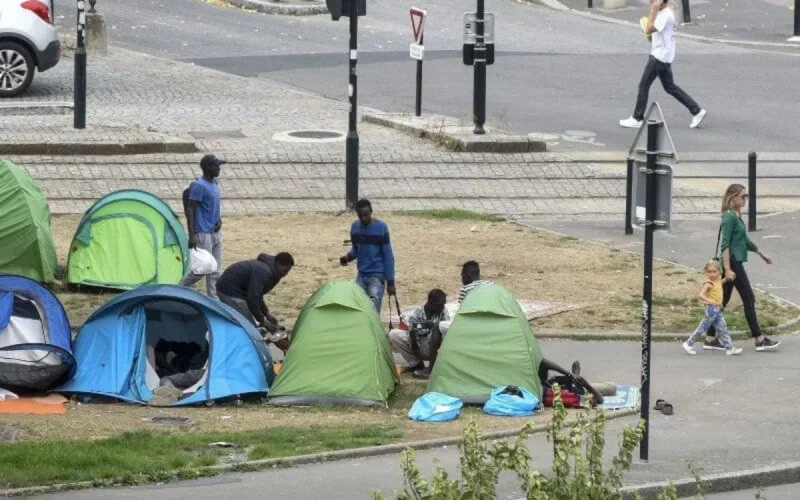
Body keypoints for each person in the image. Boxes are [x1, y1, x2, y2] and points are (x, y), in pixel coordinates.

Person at [703, 184, 780, 352]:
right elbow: (725, 245)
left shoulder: (736, 215)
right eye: (743, 196)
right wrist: (728, 269)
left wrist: (761, 254)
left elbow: (743, 239)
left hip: (733, 263)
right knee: (749, 299)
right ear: (733, 198)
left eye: (747, 196)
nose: (746, 199)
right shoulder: (729, 217)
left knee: (722, 301)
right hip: (732, 264)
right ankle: (759, 339)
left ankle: (710, 338)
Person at [619, 0, 706, 130]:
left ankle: (637, 118)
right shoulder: (664, 13)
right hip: (665, 56)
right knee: (670, 87)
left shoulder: (665, 15)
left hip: (659, 57)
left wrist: (652, 11)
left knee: (644, 86)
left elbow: (648, 29)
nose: (651, 1)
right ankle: (696, 110)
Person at [216, 252, 294, 349]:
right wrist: (262, 320)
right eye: (285, 270)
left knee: (251, 323)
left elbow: (258, 294)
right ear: (278, 264)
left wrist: (266, 313)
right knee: (249, 327)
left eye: (288, 271)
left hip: (240, 292)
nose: (286, 274)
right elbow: (252, 298)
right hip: (229, 291)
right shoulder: (265, 272)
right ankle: (246, 348)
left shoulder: (274, 272)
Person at [180, 154, 225, 297]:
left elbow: (213, 206)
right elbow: (190, 209)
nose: (219, 168)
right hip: (202, 233)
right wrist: (192, 235)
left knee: (215, 269)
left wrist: (219, 220)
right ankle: (179, 288)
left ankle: (214, 298)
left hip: (215, 232)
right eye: (216, 166)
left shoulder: (215, 183)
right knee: (203, 269)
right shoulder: (199, 186)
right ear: (207, 168)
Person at [339, 199, 396, 311]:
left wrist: (390, 282)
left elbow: (388, 256)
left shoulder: (381, 228)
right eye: (360, 216)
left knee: (372, 309)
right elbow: (356, 249)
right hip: (361, 275)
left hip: (377, 276)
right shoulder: (355, 227)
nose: (363, 218)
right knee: (358, 308)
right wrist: (348, 257)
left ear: (371, 211)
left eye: (366, 215)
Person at [682, 261, 742, 356]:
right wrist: (709, 300)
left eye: (714, 272)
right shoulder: (708, 283)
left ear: (719, 272)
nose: (712, 274)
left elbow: (720, 283)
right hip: (711, 310)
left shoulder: (717, 281)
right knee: (702, 328)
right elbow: (701, 295)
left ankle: (729, 348)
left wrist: (727, 278)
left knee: (723, 329)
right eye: (709, 272)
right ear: (706, 272)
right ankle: (688, 343)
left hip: (717, 309)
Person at [388, 289, 450, 379]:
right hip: (419, 347)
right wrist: (412, 337)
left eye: (443, 304)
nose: (442, 307)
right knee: (393, 334)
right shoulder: (418, 312)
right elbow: (410, 329)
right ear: (430, 301)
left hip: (436, 350)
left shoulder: (443, 311)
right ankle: (416, 364)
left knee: (438, 330)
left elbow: (446, 331)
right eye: (439, 304)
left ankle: (431, 368)